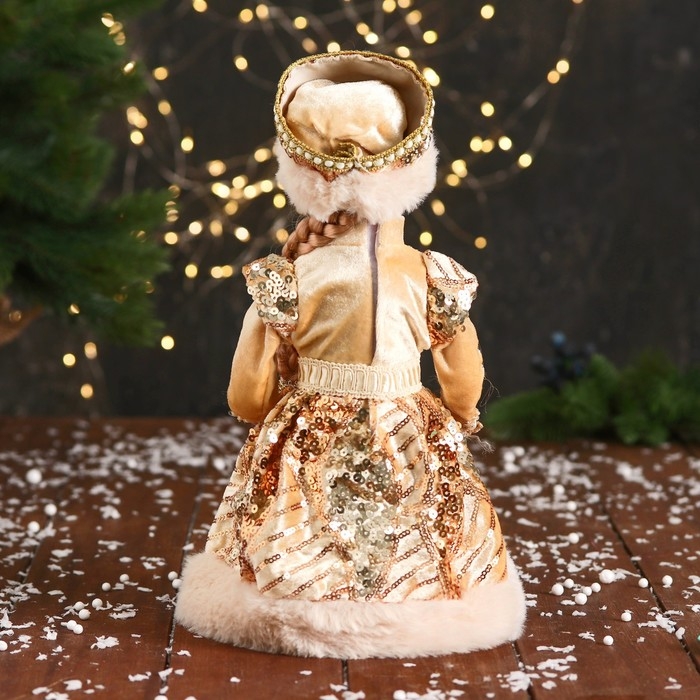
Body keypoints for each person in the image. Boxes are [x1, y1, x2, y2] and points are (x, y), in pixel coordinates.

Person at [175, 50, 526, 658]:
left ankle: (298, 595)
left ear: (300, 172)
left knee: (292, 515)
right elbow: (463, 376)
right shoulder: (431, 276)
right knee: (429, 521)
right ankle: (418, 599)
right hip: (406, 424)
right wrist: (462, 414)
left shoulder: (289, 278)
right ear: (412, 167)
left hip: (311, 424)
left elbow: (247, 395)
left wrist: (266, 412)